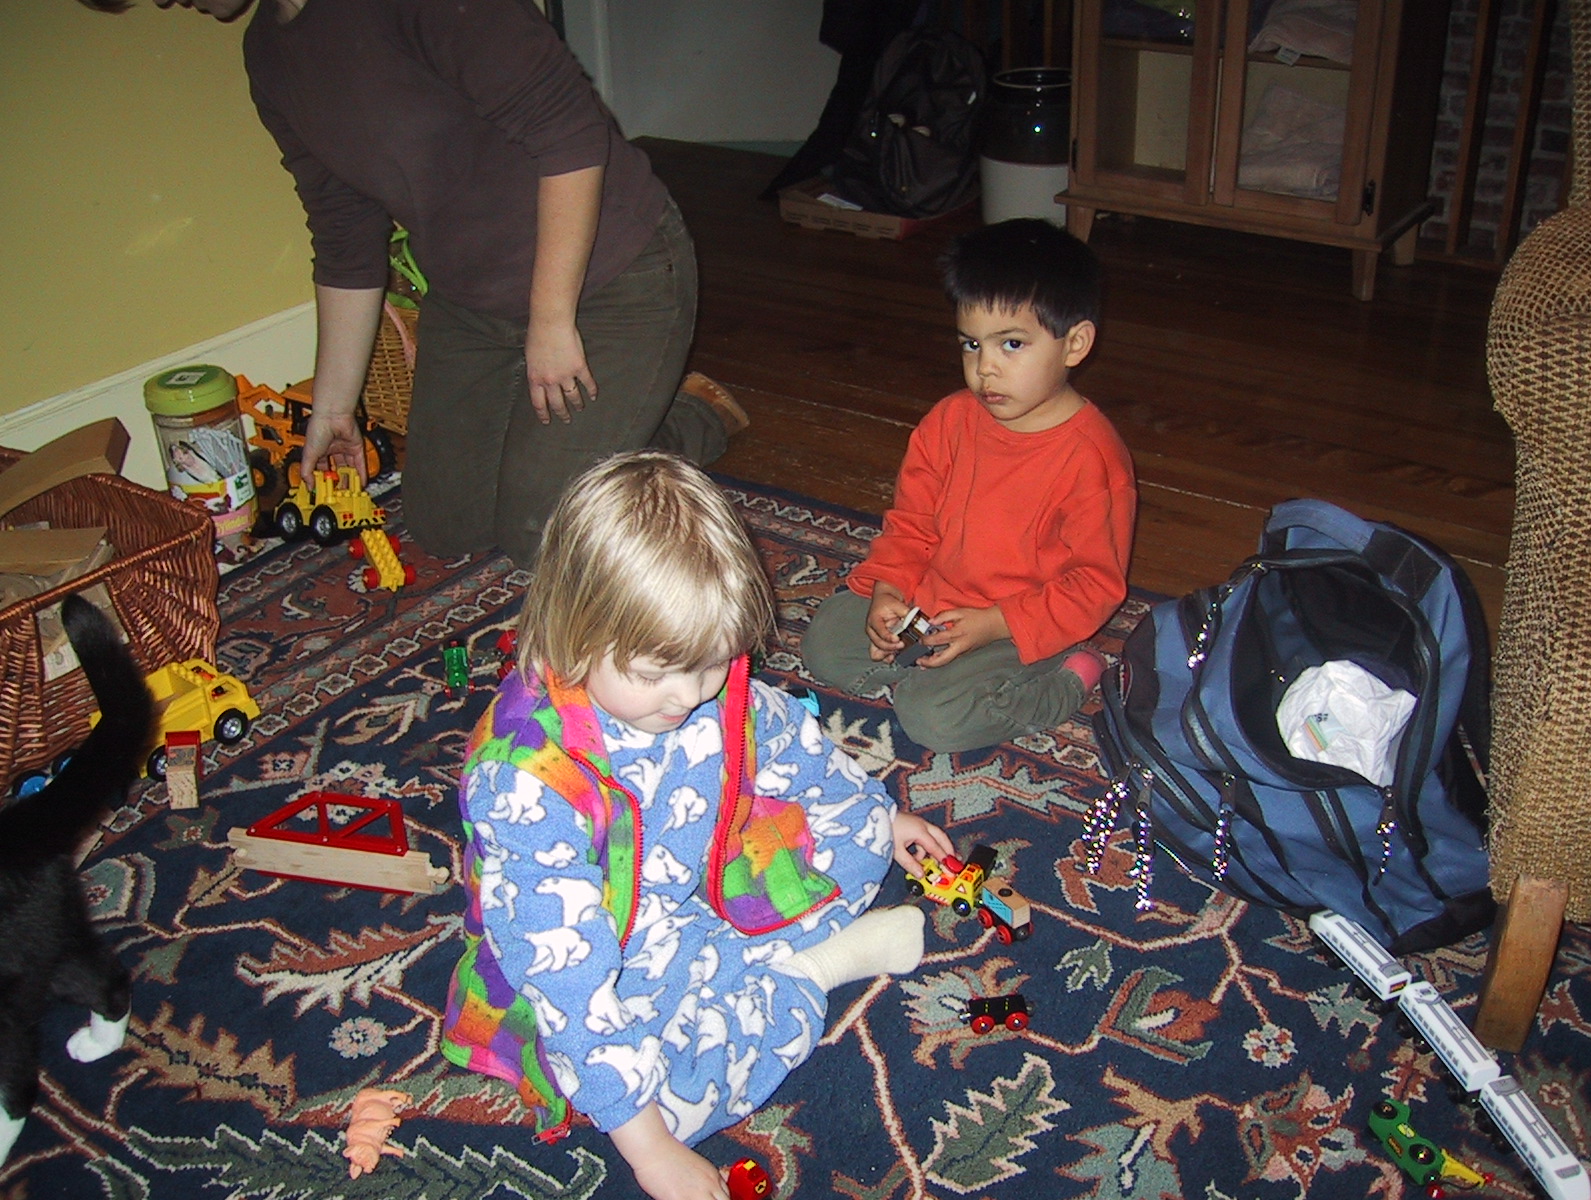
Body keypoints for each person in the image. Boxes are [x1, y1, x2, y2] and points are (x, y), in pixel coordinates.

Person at [440, 451, 954, 1200]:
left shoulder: (705, 686)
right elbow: (566, 978)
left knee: (861, 837)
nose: (688, 695)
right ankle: (813, 972)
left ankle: (757, 967)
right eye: (656, 673)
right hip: (598, 948)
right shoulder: (526, 779)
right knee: (659, 1105)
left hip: (705, 876)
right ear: (575, 631)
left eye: (712, 663)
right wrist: (650, 1151)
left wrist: (882, 816)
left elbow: (788, 742)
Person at [89, 0, 748, 567]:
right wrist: (333, 410)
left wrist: (552, 321)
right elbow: (344, 228)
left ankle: (691, 414)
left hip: (607, 278)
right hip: (472, 300)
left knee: (543, 534)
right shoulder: (267, 53)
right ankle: (598, 431)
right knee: (445, 526)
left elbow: (571, 135)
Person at [801, 218, 1138, 753]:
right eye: (971, 344)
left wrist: (994, 623)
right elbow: (911, 524)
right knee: (824, 643)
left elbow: (1094, 587)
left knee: (934, 721)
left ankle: (1069, 678)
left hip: (1021, 625)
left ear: (1075, 344)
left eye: (1012, 344)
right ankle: (927, 667)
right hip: (932, 604)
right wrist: (889, 591)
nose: (985, 369)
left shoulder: (1091, 459)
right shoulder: (949, 421)